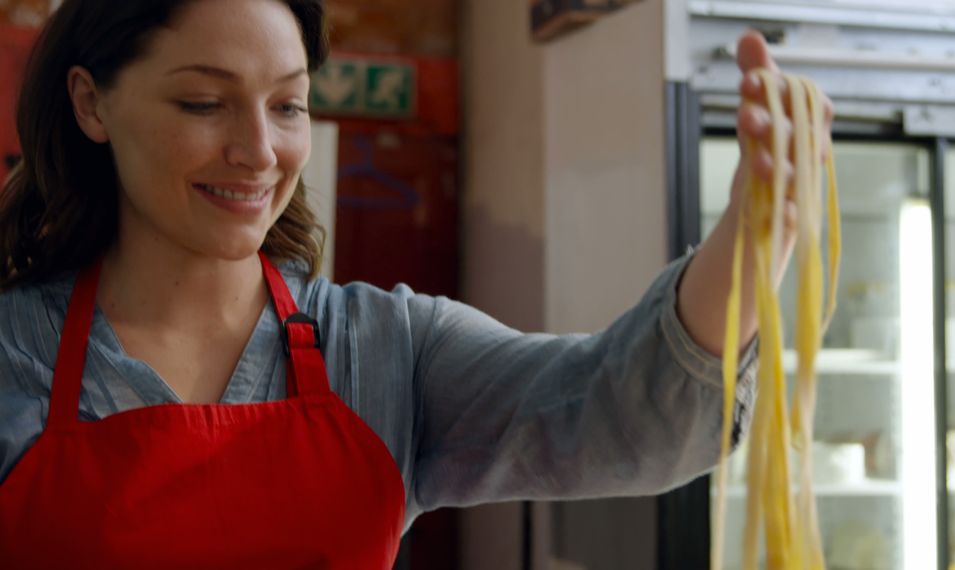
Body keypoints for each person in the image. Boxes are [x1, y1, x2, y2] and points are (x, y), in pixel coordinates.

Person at [0, 0, 823, 567]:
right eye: (204, 102)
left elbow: (618, 416)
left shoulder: (388, 351)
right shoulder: (13, 354)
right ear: (91, 104)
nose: (259, 150)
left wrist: (753, 247)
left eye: (288, 106)